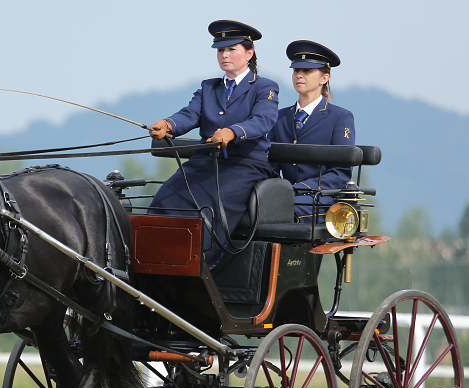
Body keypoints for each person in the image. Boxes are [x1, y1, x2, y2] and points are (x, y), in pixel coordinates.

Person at [148, 20, 279, 268]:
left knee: (208, 209)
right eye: (221, 50)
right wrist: (167, 125)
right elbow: (190, 114)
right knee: (165, 198)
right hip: (205, 161)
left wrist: (232, 131)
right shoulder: (209, 87)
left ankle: (200, 267)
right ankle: (153, 264)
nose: (225, 55)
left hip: (245, 165)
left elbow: (263, 120)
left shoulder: (264, 87)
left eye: (231, 49)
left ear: (249, 53)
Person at [270, 40, 355, 223]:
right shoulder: (279, 117)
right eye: (296, 71)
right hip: (284, 196)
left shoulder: (340, 118)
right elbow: (270, 166)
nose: (299, 75)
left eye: (307, 71)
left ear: (324, 78)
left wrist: (300, 189)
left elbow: (341, 172)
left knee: (284, 209)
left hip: (321, 199)